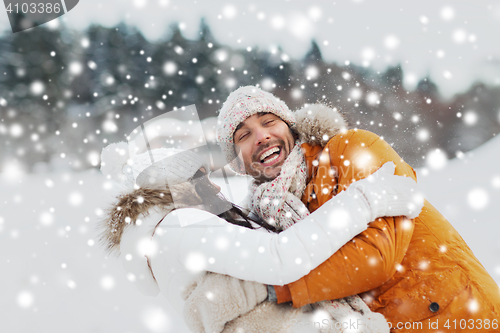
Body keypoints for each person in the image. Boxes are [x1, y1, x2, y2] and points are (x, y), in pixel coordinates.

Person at [209, 85, 500, 331]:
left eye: (268, 121)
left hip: (460, 316)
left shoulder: (352, 149)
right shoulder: (264, 217)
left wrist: (276, 289)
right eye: (243, 136)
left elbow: (377, 257)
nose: (261, 136)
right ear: (237, 163)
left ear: (290, 126)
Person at [98, 142, 419, 332]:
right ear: (174, 187)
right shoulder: (177, 226)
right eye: (200, 179)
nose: (217, 188)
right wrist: (365, 200)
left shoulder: (162, 242)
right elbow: (281, 258)